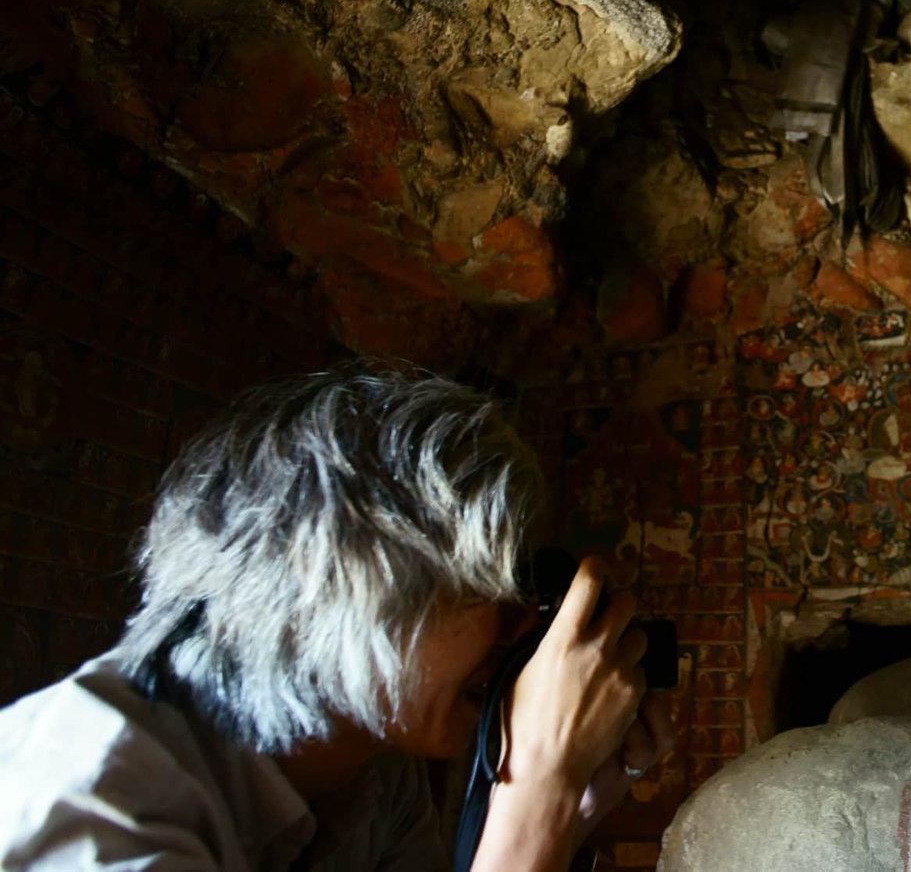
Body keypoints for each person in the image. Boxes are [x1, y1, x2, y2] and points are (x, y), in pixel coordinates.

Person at [0, 366, 673, 872]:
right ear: (341, 585)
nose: (518, 628)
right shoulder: (93, 813)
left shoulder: (372, 770)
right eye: (480, 588)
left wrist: (572, 805)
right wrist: (540, 791)